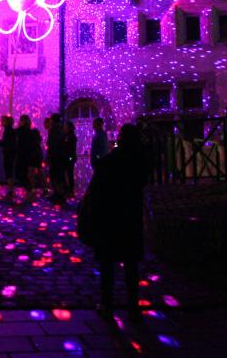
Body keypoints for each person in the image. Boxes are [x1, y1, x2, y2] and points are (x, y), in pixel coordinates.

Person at [83, 123, 147, 323]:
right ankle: (133, 307)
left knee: (107, 266)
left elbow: (95, 192)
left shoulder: (108, 163)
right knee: (131, 267)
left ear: (120, 139)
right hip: (131, 219)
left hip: (109, 219)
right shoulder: (140, 165)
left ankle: (108, 305)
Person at [47, 113, 67, 204]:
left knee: (56, 176)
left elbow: (53, 145)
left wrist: (50, 156)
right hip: (59, 157)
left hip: (56, 157)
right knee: (58, 176)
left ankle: (59, 196)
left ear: (53, 121)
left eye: (51, 119)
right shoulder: (61, 130)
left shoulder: (54, 130)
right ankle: (58, 195)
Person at [0, 116, 17, 196]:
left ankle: (11, 190)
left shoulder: (7, 131)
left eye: (2, 121)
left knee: (8, 171)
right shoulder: (12, 130)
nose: (1, 122)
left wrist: (1, 143)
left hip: (8, 153)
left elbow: (6, 142)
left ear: (6, 122)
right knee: (9, 170)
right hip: (12, 153)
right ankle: (11, 189)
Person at [63, 120, 78, 197]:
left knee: (69, 174)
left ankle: (70, 192)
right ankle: (69, 191)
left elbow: (70, 148)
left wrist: (70, 157)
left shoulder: (71, 136)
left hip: (69, 158)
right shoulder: (68, 136)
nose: (64, 128)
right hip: (69, 157)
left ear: (69, 128)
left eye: (65, 126)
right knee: (69, 174)